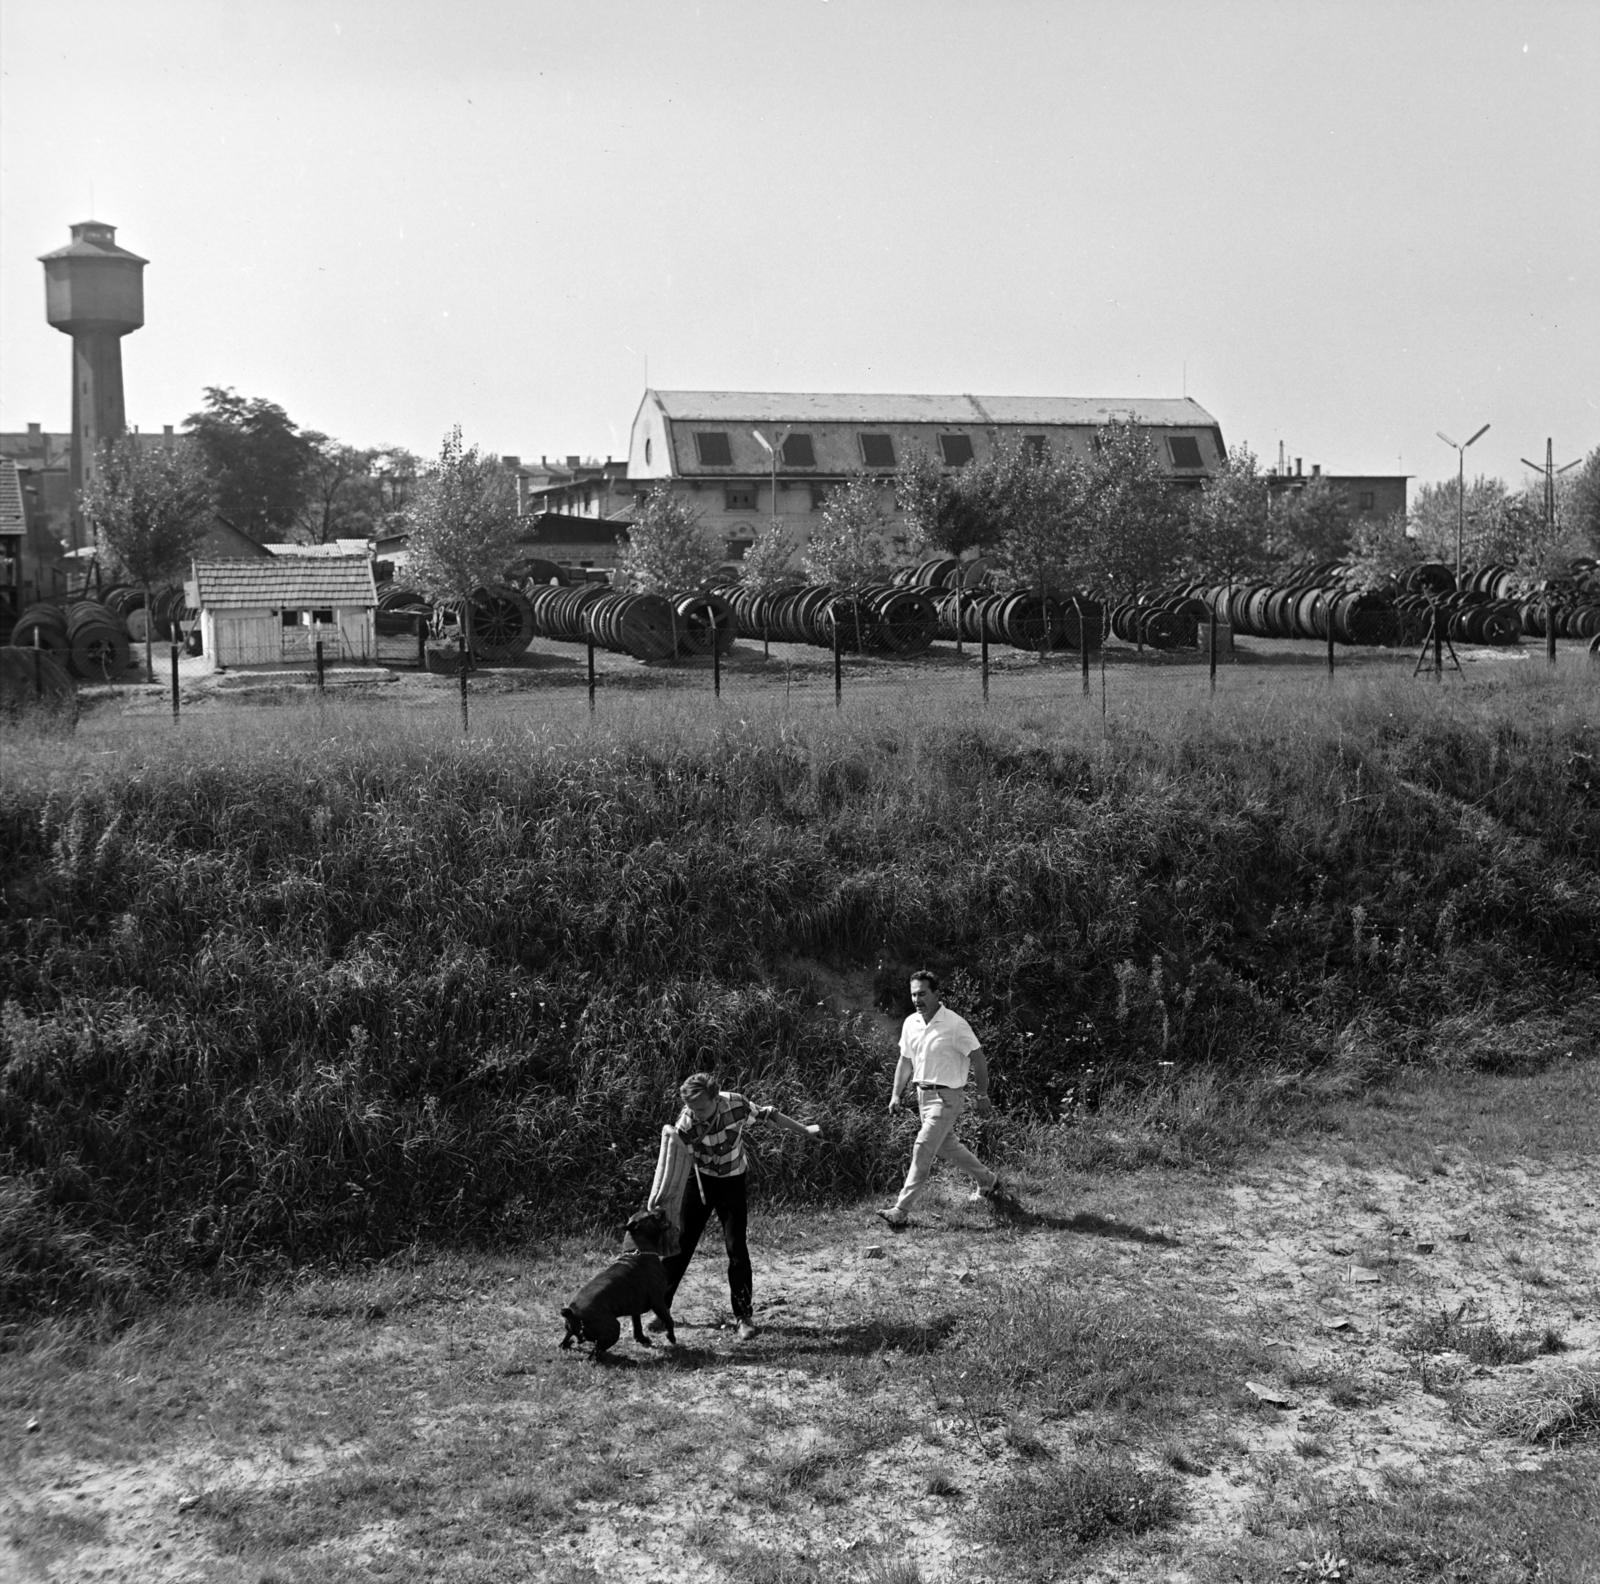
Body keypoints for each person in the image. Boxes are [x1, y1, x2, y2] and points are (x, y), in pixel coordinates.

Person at [656, 1071, 820, 1342]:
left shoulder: (736, 1104)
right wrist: (666, 1197)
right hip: (700, 1181)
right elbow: (674, 1161)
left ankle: (743, 1317)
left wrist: (804, 1129)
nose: (696, 1113)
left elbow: (770, 1116)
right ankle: (661, 1308)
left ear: (716, 1098)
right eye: (691, 1108)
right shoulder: (685, 1122)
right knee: (680, 1243)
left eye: (701, 1107)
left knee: (736, 1247)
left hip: (732, 1181)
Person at [876, 969, 1018, 1230]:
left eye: (922, 993)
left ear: (936, 994)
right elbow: (905, 1061)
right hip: (922, 1097)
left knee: (923, 1146)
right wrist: (896, 1094)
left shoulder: (954, 1024)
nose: (917, 999)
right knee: (946, 1146)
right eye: (913, 994)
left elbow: (978, 1057)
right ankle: (988, 1180)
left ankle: (901, 1210)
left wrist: (982, 1094)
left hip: (947, 1098)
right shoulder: (911, 1023)